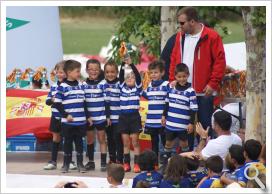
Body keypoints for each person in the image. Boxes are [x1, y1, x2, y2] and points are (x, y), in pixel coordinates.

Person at [161, 6, 226, 148]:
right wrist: (172, 79)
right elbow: (174, 59)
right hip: (182, 90)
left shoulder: (211, 36)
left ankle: (204, 156)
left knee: (203, 125)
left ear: (192, 22)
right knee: (185, 126)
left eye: (182, 23)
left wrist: (212, 83)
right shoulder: (179, 37)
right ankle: (188, 158)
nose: (180, 26)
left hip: (203, 91)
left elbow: (220, 62)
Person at [160, 63, 198, 172]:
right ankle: (165, 165)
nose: (182, 79)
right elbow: (166, 103)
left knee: (184, 144)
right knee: (168, 144)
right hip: (170, 123)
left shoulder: (191, 91)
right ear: (175, 76)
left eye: (184, 76)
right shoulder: (171, 88)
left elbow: (193, 109)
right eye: (179, 77)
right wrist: (163, 116)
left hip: (183, 125)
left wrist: (191, 123)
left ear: (188, 75)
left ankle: (185, 166)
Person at [54, 60, 87, 173]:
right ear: (69, 72)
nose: (79, 73)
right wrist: (66, 115)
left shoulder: (82, 85)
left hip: (81, 122)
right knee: (67, 144)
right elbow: (57, 103)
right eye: (77, 71)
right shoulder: (62, 86)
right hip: (67, 123)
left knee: (79, 144)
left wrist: (88, 117)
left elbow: (85, 103)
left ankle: (80, 164)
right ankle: (65, 164)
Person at [141, 60, 168, 168]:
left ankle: (166, 164)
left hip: (162, 121)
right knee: (154, 143)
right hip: (151, 121)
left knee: (166, 143)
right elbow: (146, 95)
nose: (153, 75)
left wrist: (165, 115)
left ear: (162, 73)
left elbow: (168, 101)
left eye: (156, 72)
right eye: (151, 73)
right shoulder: (149, 85)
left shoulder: (167, 85)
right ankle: (155, 164)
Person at [83, 59, 108, 171]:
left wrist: (107, 117)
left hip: (101, 117)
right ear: (86, 70)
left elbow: (107, 101)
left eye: (96, 69)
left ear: (99, 70)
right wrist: (87, 116)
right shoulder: (83, 84)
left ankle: (103, 163)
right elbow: (83, 102)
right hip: (89, 118)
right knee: (90, 140)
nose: (93, 71)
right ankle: (91, 162)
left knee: (102, 139)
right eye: (91, 69)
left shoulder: (103, 83)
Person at [118, 57, 142, 173]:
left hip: (134, 117)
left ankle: (137, 164)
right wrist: (123, 62)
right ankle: (126, 163)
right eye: (128, 77)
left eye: (132, 77)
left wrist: (131, 65)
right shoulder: (122, 88)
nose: (130, 78)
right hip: (123, 118)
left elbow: (137, 75)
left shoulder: (138, 89)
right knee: (126, 142)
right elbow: (121, 74)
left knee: (135, 142)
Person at [44, 61, 66, 170]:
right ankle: (53, 161)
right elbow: (47, 101)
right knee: (56, 138)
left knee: (68, 139)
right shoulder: (53, 86)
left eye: (61, 72)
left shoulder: (69, 86)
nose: (59, 74)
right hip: (55, 117)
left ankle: (69, 161)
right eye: (57, 72)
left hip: (66, 118)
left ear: (67, 72)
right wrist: (52, 100)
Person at [103, 60, 124, 164]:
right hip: (108, 118)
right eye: (107, 72)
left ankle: (120, 159)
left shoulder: (120, 83)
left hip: (119, 118)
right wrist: (107, 117)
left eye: (112, 72)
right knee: (110, 139)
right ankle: (112, 159)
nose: (110, 74)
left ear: (117, 73)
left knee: (118, 139)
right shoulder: (103, 84)